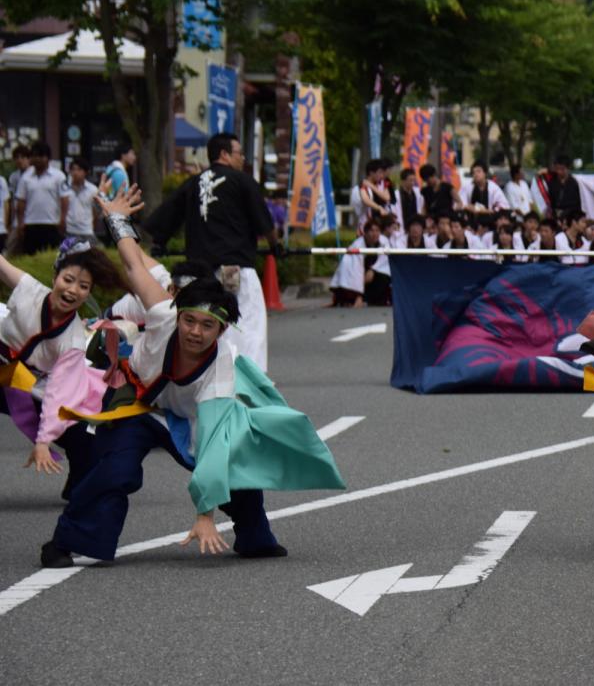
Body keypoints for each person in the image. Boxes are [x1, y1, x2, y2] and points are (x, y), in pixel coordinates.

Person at [39, 182, 344, 568]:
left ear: (222, 330)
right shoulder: (163, 313)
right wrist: (116, 220)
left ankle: (254, 536)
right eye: (190, 321)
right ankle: (68, 540)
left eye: (207, 326)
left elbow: (214, 448)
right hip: (138, 403)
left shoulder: (220, 369)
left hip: (191, 418)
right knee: (113, 469)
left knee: (235, 461)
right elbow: (134, 265)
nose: (195, 332)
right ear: (177, 314)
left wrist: (204, 516)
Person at [0, 238, 125, 498]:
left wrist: (44, 440)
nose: (72, 290)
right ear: (55, 276)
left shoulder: (73, 339)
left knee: (84, 435)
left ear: (89, 293)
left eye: (83, 286)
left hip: (31, 382)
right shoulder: (30, 290)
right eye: (68, 280)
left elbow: (59, 393)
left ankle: (80, 486)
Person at [142, 133, 278, 371]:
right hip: (236, 270)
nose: (242, 159)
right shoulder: (242, 180)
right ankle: (251, 378)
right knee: (248, 324)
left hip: (201, 276)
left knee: (208, 324)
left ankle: (212, 373)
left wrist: (159, 244)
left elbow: (165, 220)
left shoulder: (193, 183)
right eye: (239, 153)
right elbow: (264, 224)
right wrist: (277, 247)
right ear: (225, 154)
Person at [15, 141, 70, 254]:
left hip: (52, 224)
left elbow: (64, 200)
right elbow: (21, 201)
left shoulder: (58, 176)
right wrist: (20, 222)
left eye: (41, 156)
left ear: (48, 158)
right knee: (30, 258)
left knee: (52, 258)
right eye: (34, 156)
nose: (37, 159)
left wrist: (63, 219)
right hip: (30, 224)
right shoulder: (26, 177)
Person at [65, 158, 101, 246]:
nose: (75, 173)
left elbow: (96, 212)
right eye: (73, 169)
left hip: (87, 231)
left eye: (79, 169)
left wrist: (91, 227)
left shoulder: (93, 190)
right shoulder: (64, 188)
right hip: (69, 231)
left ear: (86, 172)